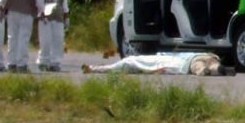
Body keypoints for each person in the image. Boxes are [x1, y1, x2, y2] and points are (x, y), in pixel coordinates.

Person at [0, 0, 44, 73]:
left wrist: (2, 6)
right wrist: (41, 11)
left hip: (12, 11)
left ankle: (11, 64)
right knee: (23, 38)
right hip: (27, 13)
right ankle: (22, 64)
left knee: (12, 37)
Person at [82, 51, 236, 76]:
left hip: (189, 63)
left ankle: (217, 69)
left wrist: (94, 69)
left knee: (201, 70)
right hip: (200, 55)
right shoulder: (156, 55)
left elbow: (112, 68)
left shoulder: (130, 62)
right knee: (211, 65)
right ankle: (220, 68)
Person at [37, 0, 69, 72]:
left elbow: (65, 7)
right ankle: (43, 62)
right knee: (45, 41)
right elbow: (39, 4)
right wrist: (41, 14)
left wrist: (66, 18)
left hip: (59, 18)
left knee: (58, 41)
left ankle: (55, 62)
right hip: (46, 18)